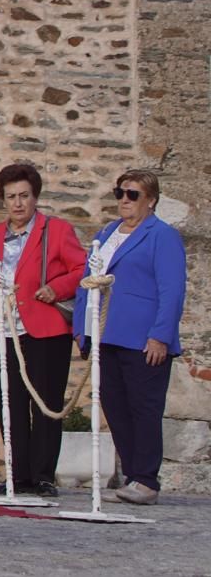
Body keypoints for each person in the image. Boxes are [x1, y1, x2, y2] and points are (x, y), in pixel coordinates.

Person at [0, 163, 84, 498]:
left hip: (45, 331)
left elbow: (82, 269)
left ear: (35, 198)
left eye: (24, 196)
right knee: (11, 404)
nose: (17, 203)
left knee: (45, 403)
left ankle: (43, 474)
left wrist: (57, 288)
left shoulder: (57, 231)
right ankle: (16, 474)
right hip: (3, 333)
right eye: (11, 197)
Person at [74, 169, 186, 506]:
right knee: (116, 406)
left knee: (144, 407)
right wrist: (82, 328)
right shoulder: (108, 232)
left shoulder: (161, 236)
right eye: (120, 192)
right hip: (107, 335)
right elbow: (88, 280)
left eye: (133, 194)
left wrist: (160, 336)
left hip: (142, 338)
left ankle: (147, 480)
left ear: (150, 200)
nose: (124, 199)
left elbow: (172, 289)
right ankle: (132, 475)